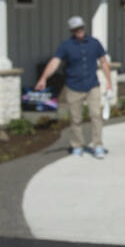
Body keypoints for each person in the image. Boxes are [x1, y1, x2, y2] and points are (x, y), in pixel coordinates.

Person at [35, 15, 113, 159]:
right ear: (72, 31)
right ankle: (77, 145)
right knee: (75, 118)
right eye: (76, 29)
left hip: (92, 85)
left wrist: (109, 82)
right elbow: (55, 62)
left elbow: (103, 62)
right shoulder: (66, 46)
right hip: (73, 86)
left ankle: (98, 145)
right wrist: (43, 78)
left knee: (96, 115)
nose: (79, 31)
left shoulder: (94, 43)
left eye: (81, 28)